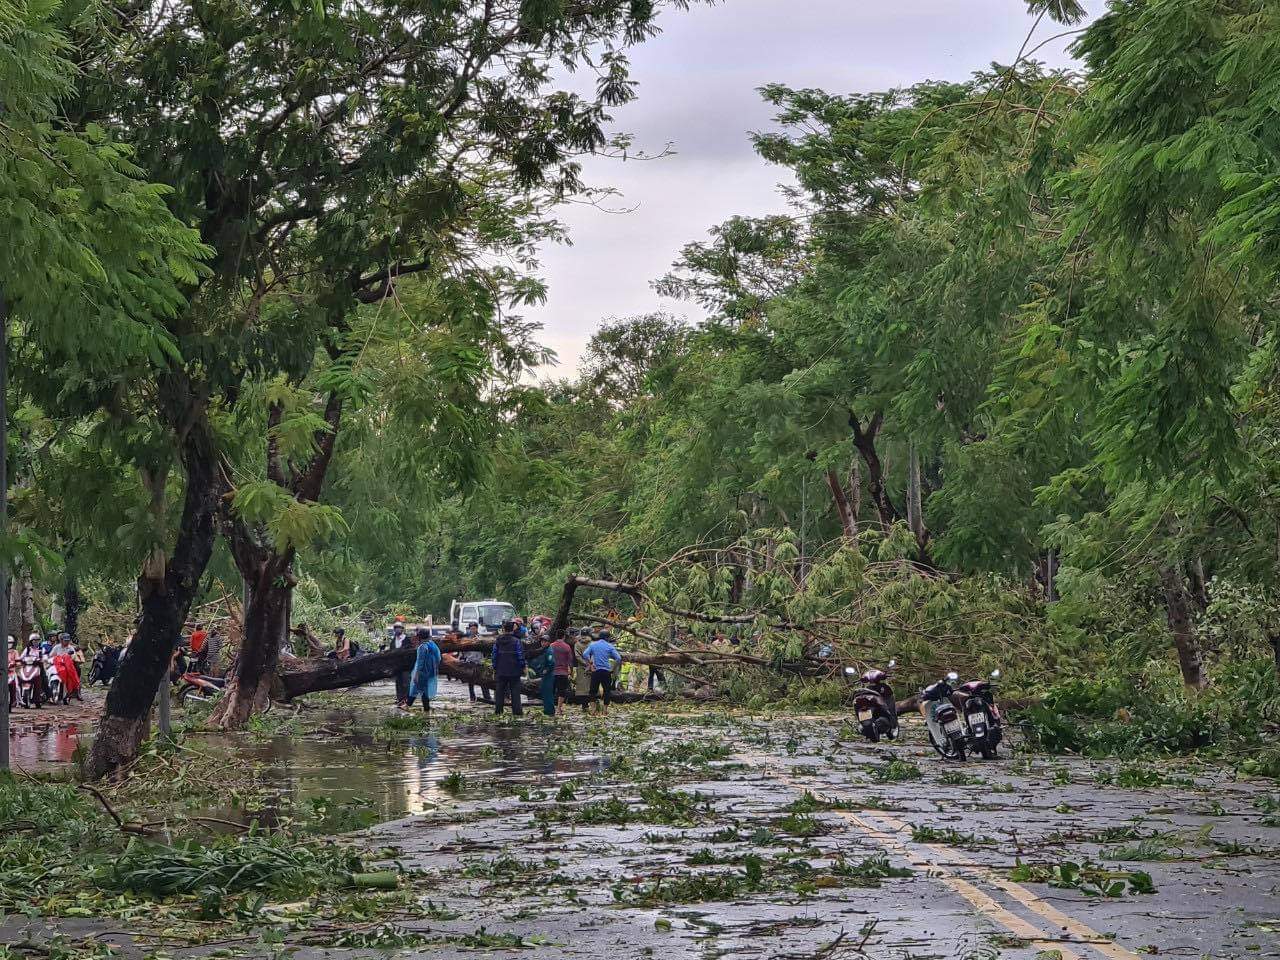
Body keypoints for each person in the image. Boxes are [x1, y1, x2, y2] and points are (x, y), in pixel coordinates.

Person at [581, 629, 623, 715]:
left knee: (592, 691)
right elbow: (618, 658)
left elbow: (585, 654)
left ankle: (593, 710)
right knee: (607, 691)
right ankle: (605, 711)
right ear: (607, 638)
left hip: (596, 671)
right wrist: (613, 668)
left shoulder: (593, 645)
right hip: (606, 671)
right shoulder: (610, 646)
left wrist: (591, 663)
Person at [490, 619, 525, 716]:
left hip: (501, 671)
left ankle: (498, 712)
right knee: (515, 693)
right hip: (514, 671)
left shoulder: (498, 640)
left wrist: (495, 667)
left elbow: (494, 655)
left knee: (499, 693)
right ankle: (517, 714)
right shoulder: (517, 641)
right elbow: (520, 655)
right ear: (512, 629)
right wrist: (522, 667)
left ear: (504, 629)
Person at [406, 627, 441, 713]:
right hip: (431, 671)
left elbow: (420, 662)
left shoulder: (422, 647)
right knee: (424, 690)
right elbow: (439, 658)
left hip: (422, 672)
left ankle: (408, 705)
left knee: (415, 688)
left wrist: (417, 674)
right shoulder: (433, 644)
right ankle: (426, 708)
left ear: (420, 637)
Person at [462, 622, 491, 703]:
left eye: (474, 629)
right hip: (470, 661)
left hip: (480, 662)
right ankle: (472, 697)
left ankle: (487, 697)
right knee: (471, 681)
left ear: (477, 629)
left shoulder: (480, 638)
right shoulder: (467, 638)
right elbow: (463, 650)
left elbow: (485, 650)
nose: (473, 630)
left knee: (483, 680)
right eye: (471, 629)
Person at [549, 630, 575, 716]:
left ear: (556, 636)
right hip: (563, 672)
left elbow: (548, 658)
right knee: (561, 691)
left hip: (552, 672)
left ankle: (551, 707)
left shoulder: (551, 646)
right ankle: (559, 709)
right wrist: (571, 671)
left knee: (551, 690)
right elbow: (570, 661)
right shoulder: (567, 647)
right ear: (563, 636)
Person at [390, 619, 411, 706]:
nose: (397, 630)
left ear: (402, 629)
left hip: (405, 665)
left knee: (406, 682)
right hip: (396, 665)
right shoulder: (393, 641)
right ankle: (399, 698)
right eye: (396, 628)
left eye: (399, 628)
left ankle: (406, 699)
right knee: (398, 682)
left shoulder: (407, 639)